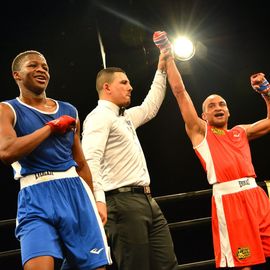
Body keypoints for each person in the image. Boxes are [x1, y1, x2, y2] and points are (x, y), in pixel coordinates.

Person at [159, 32, 270, 269]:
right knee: (243, 263)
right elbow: (180, 93)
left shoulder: (241, 131)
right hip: (230, 202)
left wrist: (266, 93)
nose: (218, 107)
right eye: (212, 105)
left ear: (229, 112)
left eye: (222, 104)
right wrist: (168, 57)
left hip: (257, 197)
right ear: (204, 115)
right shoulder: (202, 132)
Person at [0, 50, 111, 270]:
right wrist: (50, 128)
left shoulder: (69, 110)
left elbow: (80, 163)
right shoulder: (7, 109)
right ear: (17, 75)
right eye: (33, 66)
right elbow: (6, 151)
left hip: (76, 194)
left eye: (45, 67)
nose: (41, 69)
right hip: (35, 198)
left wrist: (96, 199)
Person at [81, 50, 179, 270]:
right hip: (120, 202)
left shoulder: (124, 117)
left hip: (146, 200)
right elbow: (89, 160)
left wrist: (161, 70)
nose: (130, 87)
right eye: (124, 83)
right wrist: (98, 200)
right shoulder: (99, 117)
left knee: (168, 264)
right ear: (107, 87)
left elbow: (150, 108)